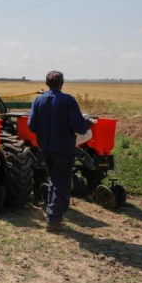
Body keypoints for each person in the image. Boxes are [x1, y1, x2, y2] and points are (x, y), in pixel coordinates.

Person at [28, 70, 92, 232]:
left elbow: (31, 126)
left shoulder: (38, 101)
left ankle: (52, 211)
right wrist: (87, 124)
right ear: (62, 83)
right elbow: (79, 127)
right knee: (61, 183)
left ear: (47, 84)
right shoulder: (68, 100)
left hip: (45, 149)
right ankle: (53, 219)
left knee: (54, 179)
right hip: (63, 149)